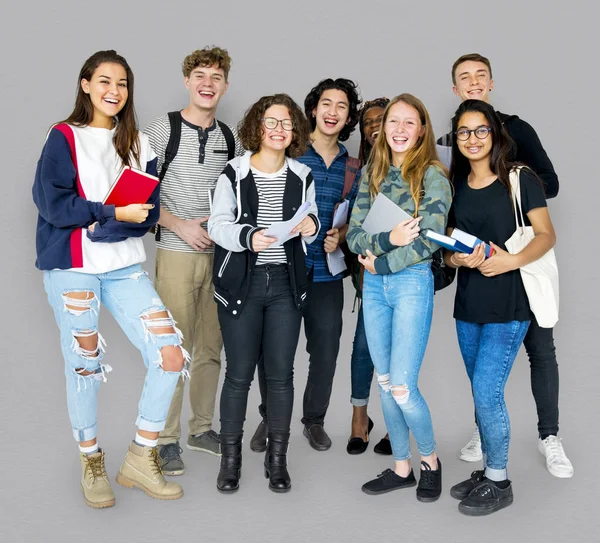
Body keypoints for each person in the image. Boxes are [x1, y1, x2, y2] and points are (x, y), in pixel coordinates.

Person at [33, 50, 188, 508]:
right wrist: (110, 212)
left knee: (170, 355)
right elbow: (51, 204)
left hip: (124, 267)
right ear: (85, 85)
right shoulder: (64, 137)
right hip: (73, 266)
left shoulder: (139, 143)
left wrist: (122, 220)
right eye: (103, 81)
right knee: (84, 364)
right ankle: (90, 460)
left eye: (121, 84)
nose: (113, 92)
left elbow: (149, 212)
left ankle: (141, 456)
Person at [437, 53, 572, 478]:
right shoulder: (457, 166)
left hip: (521, 274)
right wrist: (457, 255)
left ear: (491, 83)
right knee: (484, 381)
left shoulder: (518, 143)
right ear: (455, 88)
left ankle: (548, 437)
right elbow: (453, 224)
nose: (473, 82)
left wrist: (511, 180)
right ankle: (486, 430)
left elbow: (546, 198)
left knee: (540, 352)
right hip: (477, 291)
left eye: (480, 76)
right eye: (465, 78)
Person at [445, 99, 557, 515]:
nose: (472, 139)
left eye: (480, 131)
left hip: (510, 306)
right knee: (480, 393)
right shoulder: (455, 184)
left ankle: (499, 480)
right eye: (463, 132)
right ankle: (488, 471)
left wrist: (510, 260)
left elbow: (546, 235)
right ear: (455, 139)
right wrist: (456, 259)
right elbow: (451, 247)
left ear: (494, 133)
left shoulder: (519, 178)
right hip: (469, 304)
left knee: (486, 393)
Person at [208, 94, 319, 493]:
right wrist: (248, 236)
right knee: (238, 375)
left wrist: (311, 227)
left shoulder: (302, 174)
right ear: (257, 126)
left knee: (281, 376)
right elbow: (217, 226)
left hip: (286, 285)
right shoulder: (234, 173)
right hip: (243, 282)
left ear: (295, 132)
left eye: (287, 124)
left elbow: (311, 218)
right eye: (271, 122)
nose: (278, 130)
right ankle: (231, 461)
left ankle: (277, 461)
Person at [347, 93, 451, 502]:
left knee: (404, 386)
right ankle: (402, 467)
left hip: (409, 284)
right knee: (386, 384)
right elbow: (355, 236)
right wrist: (389, 238)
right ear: (383, 127)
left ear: (422, 129)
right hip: (374, 288)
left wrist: (382, 261)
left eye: (410, 122)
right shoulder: (373, 171)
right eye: (394, 122)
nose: (400, 130)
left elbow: (429, 241)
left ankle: (430, 462)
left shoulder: (432, 175)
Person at [145, 46, 244, 475]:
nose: (208, 83)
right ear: (187, 81)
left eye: (216, 77)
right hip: (175, 253)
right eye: (200, 75)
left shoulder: (230, 137)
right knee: (172, 350)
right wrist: (178, 224)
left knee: (210, 347)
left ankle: (201, 428)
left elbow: (240, 197)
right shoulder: (160, 130)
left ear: (225, 85)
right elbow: (133, 194)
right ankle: (164, 440)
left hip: (219, 259)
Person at [249, 78, 362, 453]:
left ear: (348, 117)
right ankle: (271, 416)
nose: (332, 112)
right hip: (284, 267)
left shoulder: (353, 166)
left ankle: (314, 421)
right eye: (325, 104)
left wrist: (341, 235)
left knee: (326, 350)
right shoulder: (290, 153)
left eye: (341, 106)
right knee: (274, 350)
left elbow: (356, 218)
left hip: (327, 272)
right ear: (312, 109)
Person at [346, 97, 393, 456]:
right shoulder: (363, 171)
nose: (375, 125)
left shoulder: (418, 165)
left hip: (407, 272)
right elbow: (355, 223)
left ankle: (396, 423)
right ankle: (359, 418)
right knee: (364, 347)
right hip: (371, 272)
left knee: (399, 353)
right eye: (367, 122)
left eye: (383, 119)